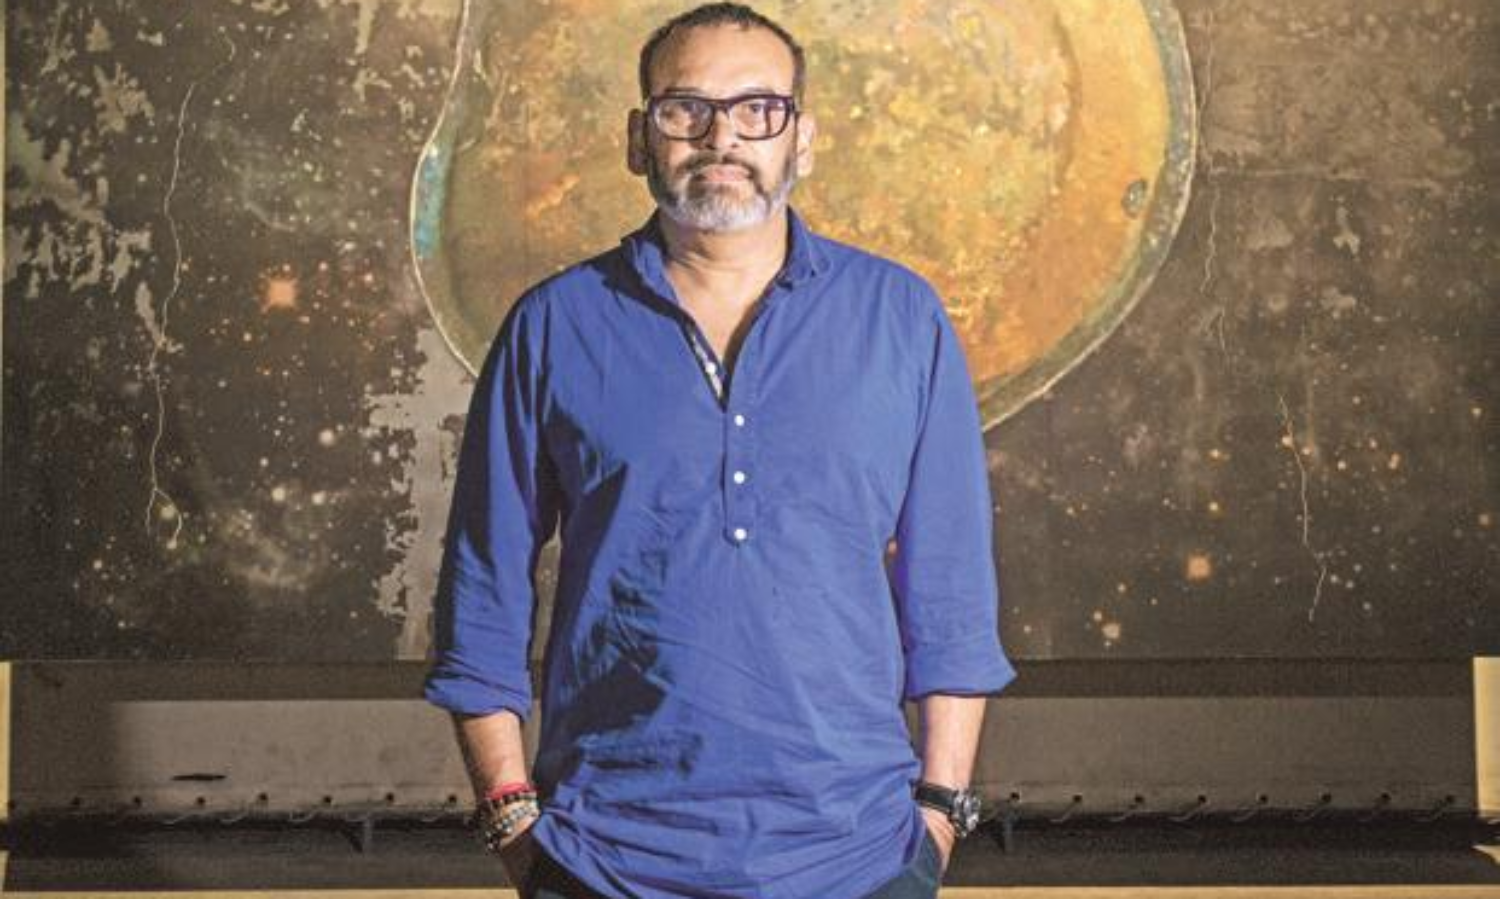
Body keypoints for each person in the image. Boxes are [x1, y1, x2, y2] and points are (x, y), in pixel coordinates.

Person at [423, 4, 1016, 897]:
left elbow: (952, 594)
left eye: (757, 109)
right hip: (603, 860)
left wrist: (938, 816)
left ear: (802, 137)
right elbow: (483, 591)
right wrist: (513, 820)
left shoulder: (900, 319)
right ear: (639, 138)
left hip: (858, 857)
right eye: (685, 109)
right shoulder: (554, 326)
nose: (721, 137)